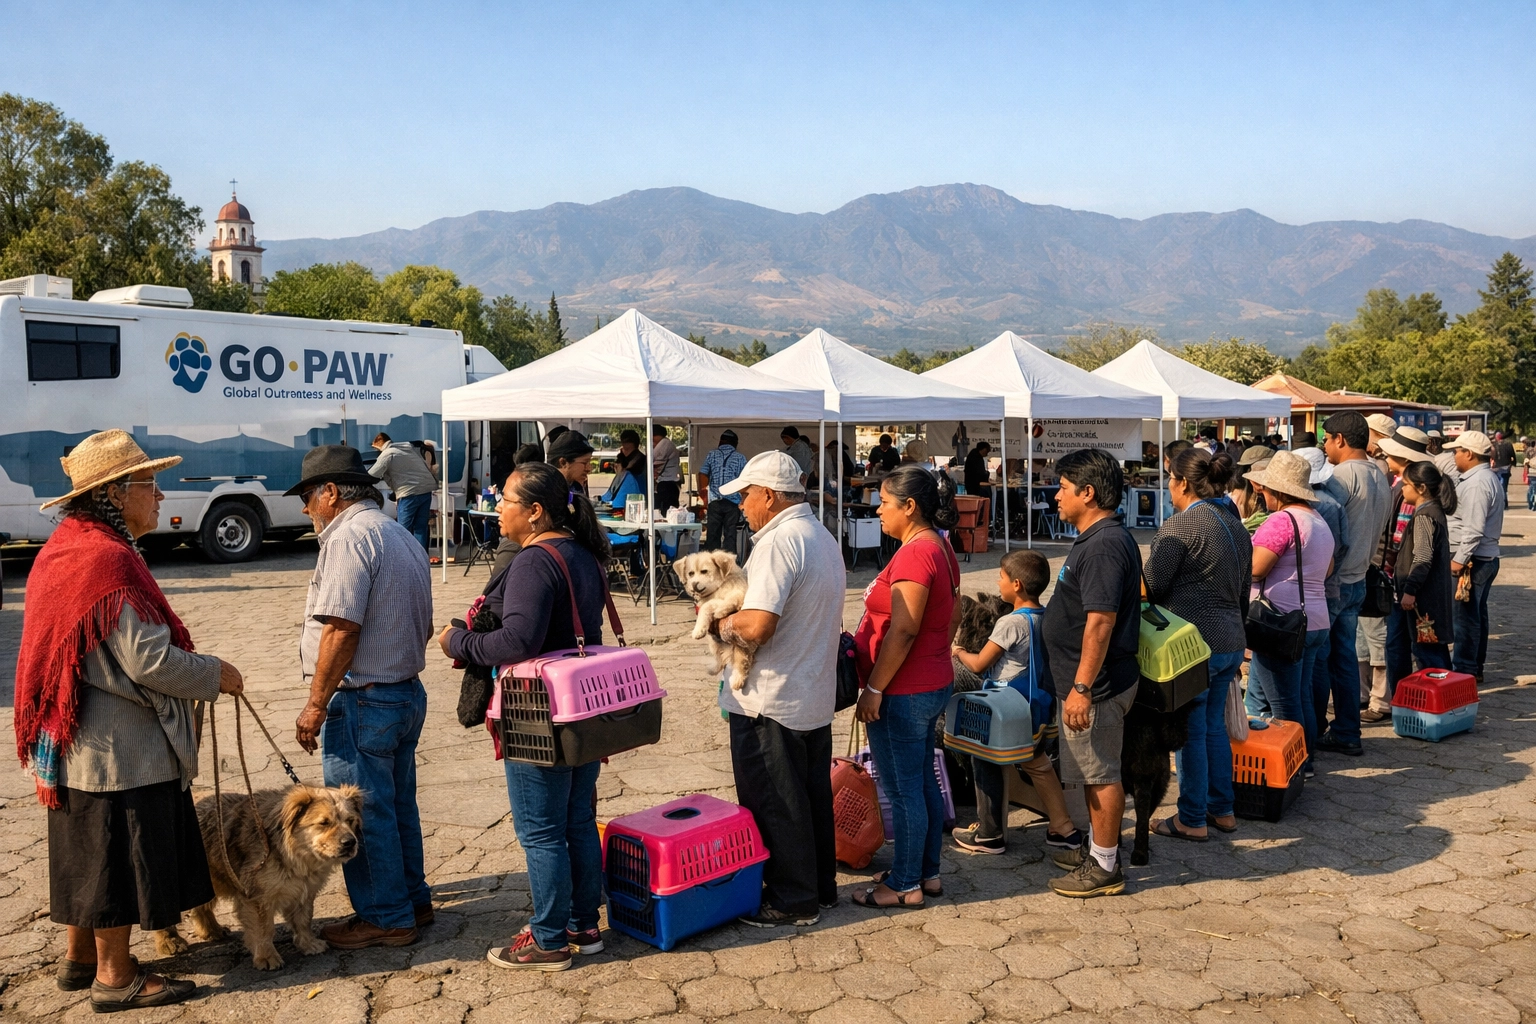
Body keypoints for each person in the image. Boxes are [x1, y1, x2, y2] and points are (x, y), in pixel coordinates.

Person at [15, 430, 243, 1011]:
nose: (160, 495)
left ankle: (81, 958)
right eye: (150, 484)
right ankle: (116, 980)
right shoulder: (105, 558)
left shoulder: (68, 545)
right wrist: (215, 672)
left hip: (76, 741)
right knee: (113, 859)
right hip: (115, 749)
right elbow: (149, 661)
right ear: (115, 493)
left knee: (85, 852)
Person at [438, 461, 613, 969]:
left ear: (534, 512)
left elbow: (518, 641)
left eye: (505, 500)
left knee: (541, 831)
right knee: (577, 821)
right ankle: (585, 925)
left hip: (539, 711)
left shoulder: (536, 561)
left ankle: (549, 939)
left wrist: (457, 640)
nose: (496, 509)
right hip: (581, 708)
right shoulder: (580, 552)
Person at [287, 446, 434, 950]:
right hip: (402, 693)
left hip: (366, 698)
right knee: (394, 807)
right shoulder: (398, 533)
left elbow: (341, 629)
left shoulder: (350, 537)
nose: (306, 509)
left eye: (308, 497)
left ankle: (385, 915)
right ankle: (411, 900)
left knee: (358, 815)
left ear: (331, 492)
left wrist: (315, 703)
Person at [714, 452, 845, 926]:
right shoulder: (821, 536)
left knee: (775, 800)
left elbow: (759, 625)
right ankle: (819, 888)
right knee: (809, 798)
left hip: (770, 697)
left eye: (746, 496)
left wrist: (719, 622)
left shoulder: (777, 542)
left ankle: (793, 900)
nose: (743, 507)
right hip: (810, 691)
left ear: (768, 496)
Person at [851, 465, 961, 908]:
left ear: (909, 507)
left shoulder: (917, 553)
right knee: (922, 784)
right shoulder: (939, 547)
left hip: (904, 690)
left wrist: (875, 688)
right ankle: (924, 871)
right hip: (927, 681)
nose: (878, 511)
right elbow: (952, 616)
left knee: (903, 789)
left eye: (884, 502)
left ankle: (904, 884)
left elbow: (904, 628)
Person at [1041, 449, 1141, 898]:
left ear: (1088, 492)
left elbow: (1100, 622)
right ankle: (1100, 851)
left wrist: (1081, 687)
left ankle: (1105, 867)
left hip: (1096, 687)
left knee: (1101, 773)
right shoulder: (1096, 538)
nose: (1056, 496)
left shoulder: (1103, 545)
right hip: (1086, 684)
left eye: (1063, 487)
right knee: (1089, 769)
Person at [1144, 448, 1252, 841]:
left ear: (1183, 483)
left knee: (1191, 731)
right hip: (1230, 638)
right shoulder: (1234, 524)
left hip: (1194, 645)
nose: (1167, 487)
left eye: (1169, 479)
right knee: (1213, 728)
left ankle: (1191, 817)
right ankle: (1222, 810)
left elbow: (1151, 587)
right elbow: (1244, 592)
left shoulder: (1180, 527)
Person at [950, 550, 1082, 856]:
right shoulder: (1045, 616)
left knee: (983, 757)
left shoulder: (1011, 623)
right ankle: (1063, 829)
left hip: (1007, 709)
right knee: (1038, 764)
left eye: (1001, 576)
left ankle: (989, 834)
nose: (998, 582)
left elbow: (981, 664)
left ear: (1018, 584)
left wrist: (959, 653)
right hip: (1036, 708)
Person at [1242, 451, 1335, 776]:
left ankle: (1298, 764)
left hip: (1279, 624)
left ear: (1279, 491)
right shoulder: (1318, 520)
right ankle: (1303, 757)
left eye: (1266, 490)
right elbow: (1327, 569)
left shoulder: (1282, 520)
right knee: (1301, 695)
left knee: (1285, 703)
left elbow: (1255, 568)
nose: (1262, 495)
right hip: (1314, 620)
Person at [1317, 411, 1392, 757]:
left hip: (1337, 581)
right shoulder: (1380, 474)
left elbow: (1327, 530)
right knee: (1342, 656)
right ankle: (1345, 728)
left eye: (1327, 439)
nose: (1325, 445)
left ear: (1341, 440)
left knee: (1324, 658)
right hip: (1360, 576)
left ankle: (1328, 728)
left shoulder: (1343, 475)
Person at [1376, 428, 1434, 700]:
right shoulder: (1402, 486)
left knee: (1409, 644)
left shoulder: (1410, 493)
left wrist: (1400, 577)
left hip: (1406, 579)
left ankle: (1412, 697)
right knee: (1399, 642)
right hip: (1403, 577)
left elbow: (1402, 541)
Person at [1445, 431, 1504, 683]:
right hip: (1481, 558)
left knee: (1465, 619)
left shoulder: (1478, 482)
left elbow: (1474, 529)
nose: (1454, 455)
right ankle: (1473, 667)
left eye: (1457, 451)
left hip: (1473, 561)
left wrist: (1459, 560)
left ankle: (1465, 670)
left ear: (1468, 453)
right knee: (1475, 615)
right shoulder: (1480, 478)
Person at [1394, 461, 1459, 674]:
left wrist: (1410, 590)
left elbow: (1422, 557)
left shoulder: (1424, 516)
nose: (1402, 489)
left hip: (1425, 600)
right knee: (1433, 652)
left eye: (1406, 484)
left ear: (1421, 488)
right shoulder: (1433, 511)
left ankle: (1439, 704)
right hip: (1433, 597)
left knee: (1429, 657)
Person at [370, 432, 440, 550]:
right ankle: (421, 559)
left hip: (409, 493)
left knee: (402, 529)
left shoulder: (387, 454)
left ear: (379, 444)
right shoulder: (408, 450)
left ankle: (403, 557)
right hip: (426, 490)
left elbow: (372, 474)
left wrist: (358, 479)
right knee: (421, 528)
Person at [491, 444, 550, 575]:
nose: (498, 507)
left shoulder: (520, 555)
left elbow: (490, 595)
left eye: (505, 499)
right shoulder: (563, 545)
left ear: (535, 511)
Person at [698, 430, 748, 552]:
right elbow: (746, 480)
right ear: (735, 443)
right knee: (730, 536)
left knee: (712, 536)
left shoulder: (712, 454)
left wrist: (704, 496)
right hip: (733, 503)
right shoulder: (740, 458)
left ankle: (711, 566)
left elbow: (703, 474)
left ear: (720, 441)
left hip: (715, 501)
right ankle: (729, 565)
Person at [547, 430, 595, 499]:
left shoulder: (576, 488)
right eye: (584, 463)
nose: (589, 469)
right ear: (563, 463)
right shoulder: (545, 494)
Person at [651, 424, 682, 512]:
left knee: (666, 509)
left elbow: (657, 462)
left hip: (668, 483)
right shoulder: (664, 443)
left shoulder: (664, 443)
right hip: (666, 482)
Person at [1492, 431, 1516, 508]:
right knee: (1504, 487)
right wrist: (1513, 464)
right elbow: (1513, 456)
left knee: (1496, 487)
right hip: (1506, 468)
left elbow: (1491, 457)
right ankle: (1504, 503)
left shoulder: (1493, 445)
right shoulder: (1508, 444)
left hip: (1495, 468)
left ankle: (1497, 503)